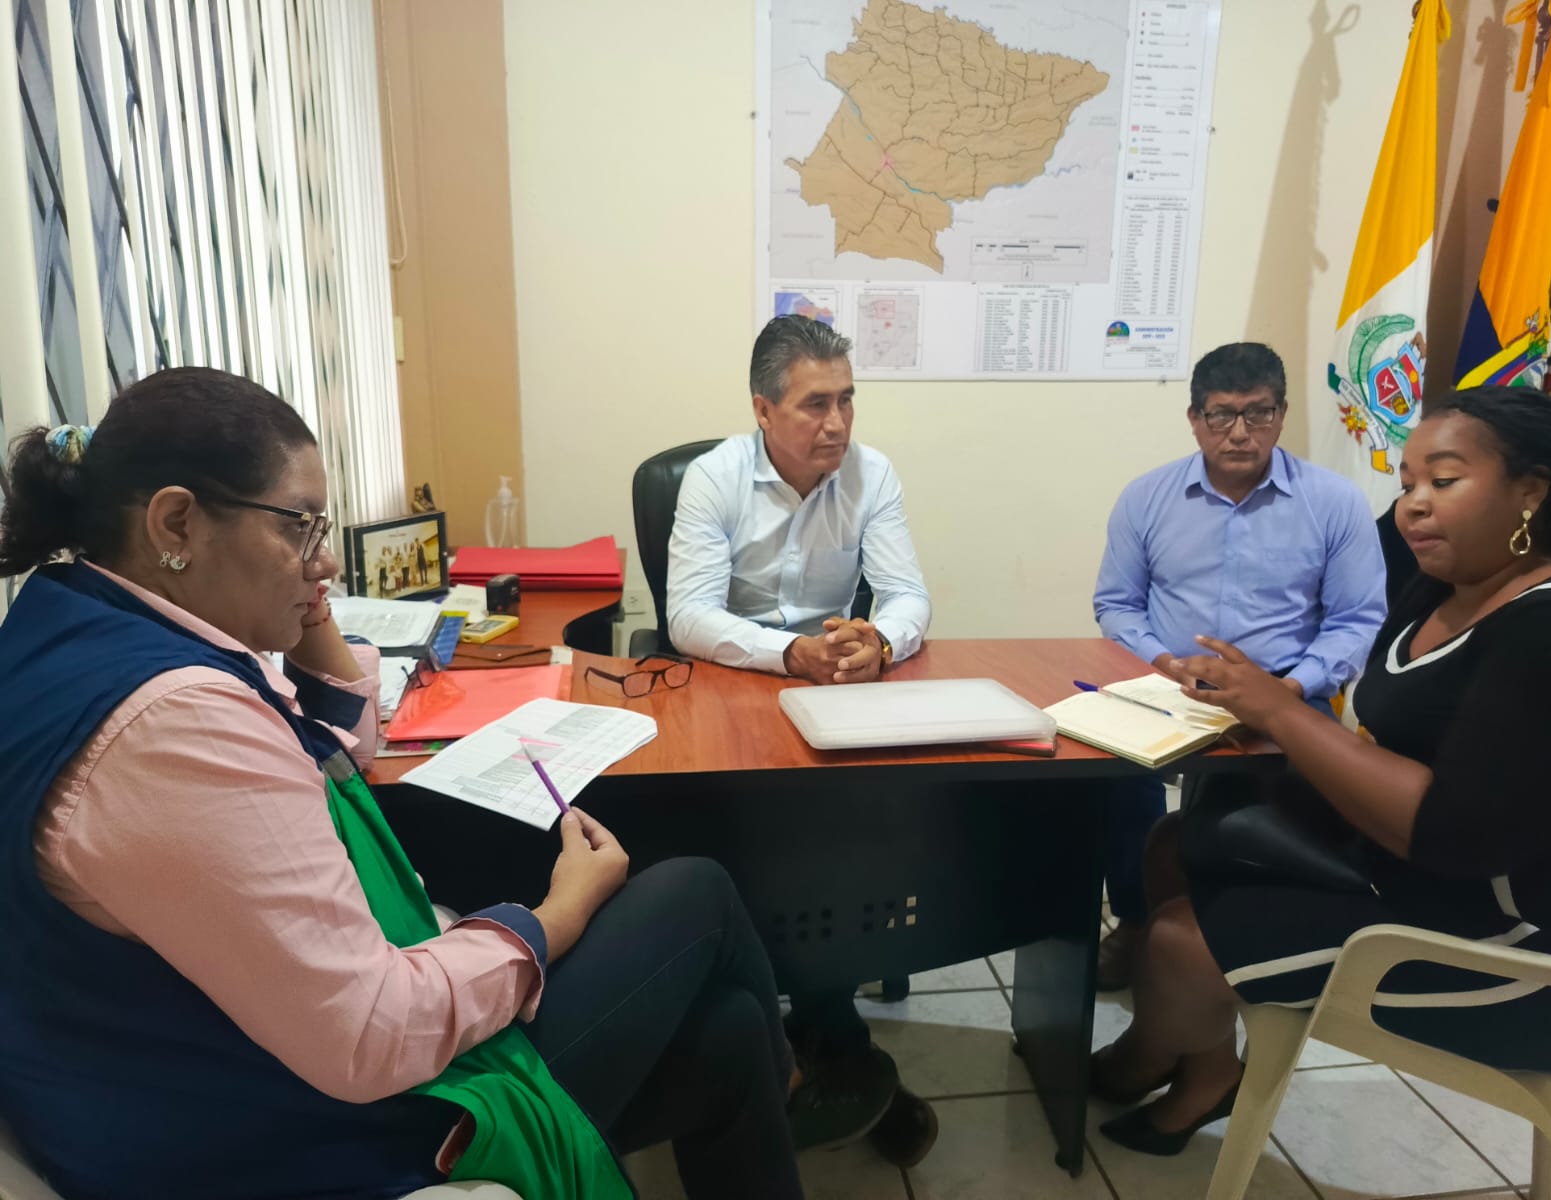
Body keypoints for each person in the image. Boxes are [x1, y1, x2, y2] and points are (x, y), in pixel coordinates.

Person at [0, 368, 804, 1200]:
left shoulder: (75, 620)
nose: (323, 560)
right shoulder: (178, 721)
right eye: (299, 526)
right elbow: (371, 1035)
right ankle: (793, 1077)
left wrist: (299, 594)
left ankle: (778, 1073)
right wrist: (556, 916)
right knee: (697, 892)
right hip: (294, 1131)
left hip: (185, 1075)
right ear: (177, 522)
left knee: (730, 1034)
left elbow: (336, 750)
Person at [1091, 385, 1551, 1156]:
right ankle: (1190, 1062)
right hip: (1405, 875)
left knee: (1177, 942)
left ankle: (1170, 1063)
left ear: (1531, 491)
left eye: (1444, 480)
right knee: (1172, 845)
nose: (1413, 506)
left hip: (1517, 953)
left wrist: (1280, 710)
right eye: (1407, 483)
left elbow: (1452, 835)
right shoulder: (1449, 586)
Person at [665, 314, 937, 1166]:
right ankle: (828, 1042)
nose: (838, 423)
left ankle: (821, 1034)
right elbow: (687, 617)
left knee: (850, 836)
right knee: (760, 845)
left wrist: (879, 639)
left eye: (847, 400)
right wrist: (787, 654)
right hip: (734, 690)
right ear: (763, 409)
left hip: (832, 695)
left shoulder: (871, 473)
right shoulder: (713, 479)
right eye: (816, 404)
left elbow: (909, 595)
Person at [1090, 342, 1386, 989]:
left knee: (1251, 811)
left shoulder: (1334, 502)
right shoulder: (1147, 497)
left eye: (1259, 413)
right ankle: (1138, 919)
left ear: (1282, 414)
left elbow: (1356, 619)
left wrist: (1289, 688)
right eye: (1221, 415)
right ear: (1194, 418)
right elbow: (1117, 605)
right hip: (1165, 685)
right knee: (1111, 782)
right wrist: (1165, 662)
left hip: (1286, 689)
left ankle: (1225, 929)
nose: (1240, 433)